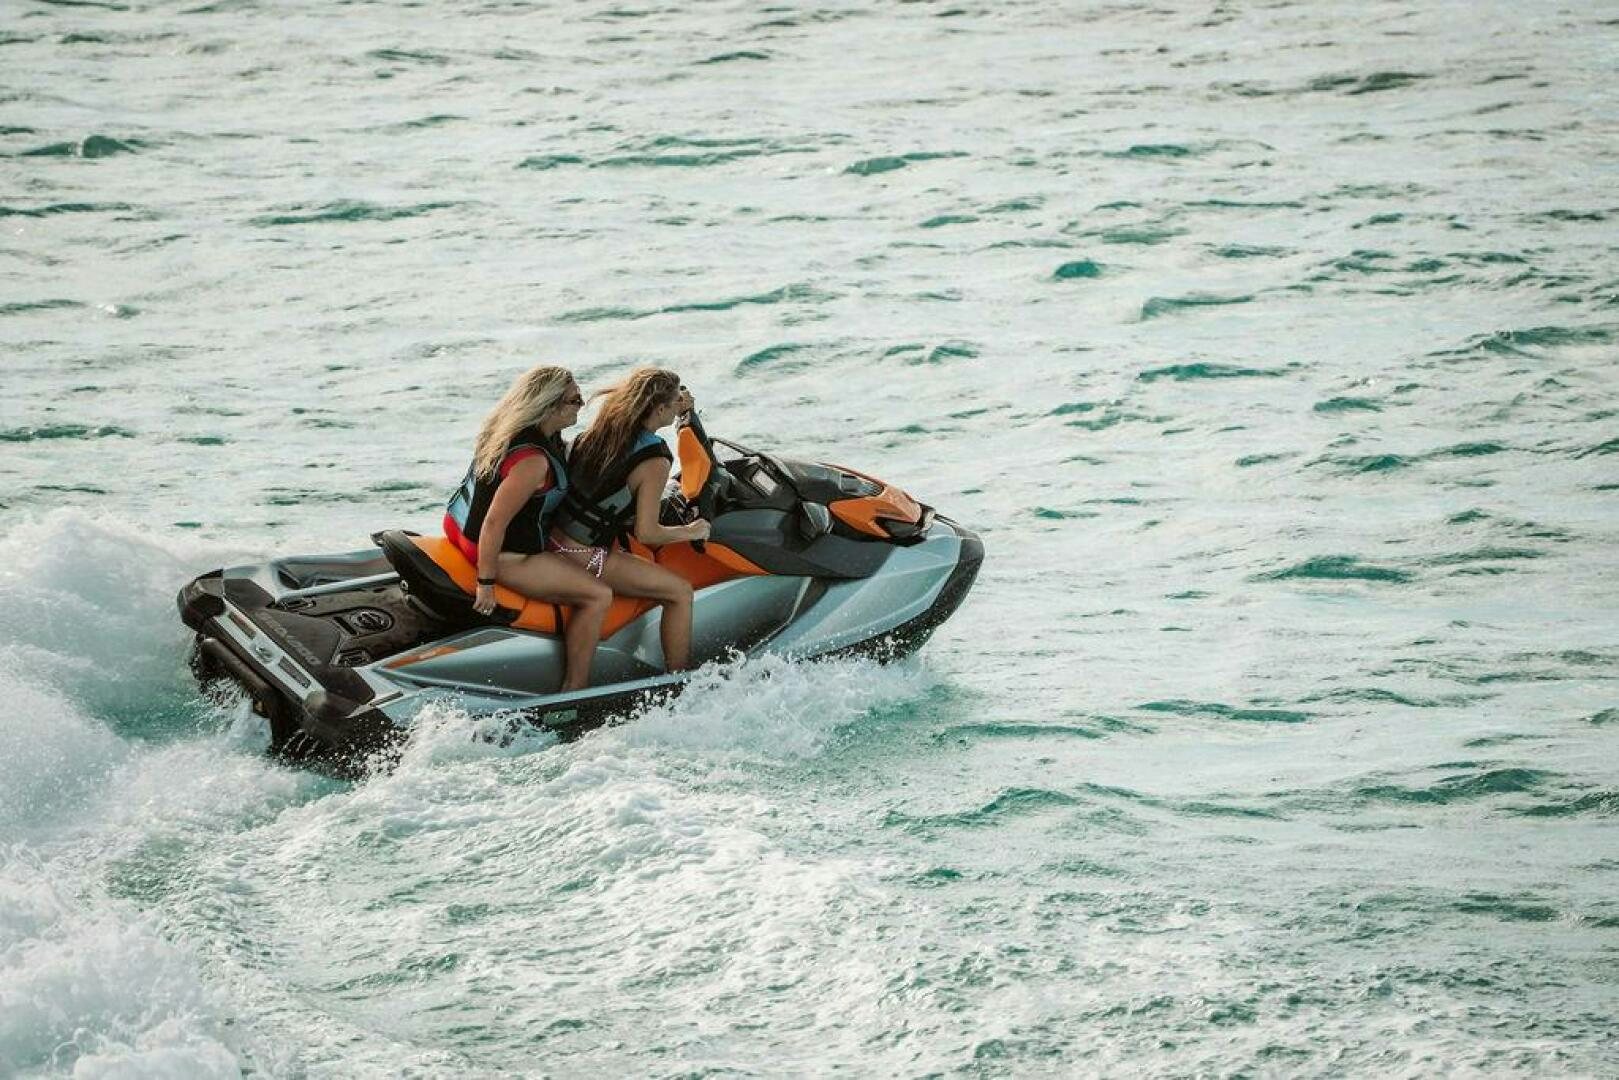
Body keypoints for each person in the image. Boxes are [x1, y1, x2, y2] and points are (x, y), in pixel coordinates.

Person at [444, 365, 611, 691]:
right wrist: (486, 583)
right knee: (598, 595)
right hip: (500, 554)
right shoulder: (533, 462)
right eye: (575, 400)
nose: (581, 405)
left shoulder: (504, 429)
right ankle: (575, 689)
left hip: (458, 529)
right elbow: (495, 521)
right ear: (550, 406)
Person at [553, 367, 710, 671]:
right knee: (679, 592)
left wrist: (683, 410)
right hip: (581, 554)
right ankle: (680, 680)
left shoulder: (605, 429)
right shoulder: (655, 459)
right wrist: (692, 530)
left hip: (554, 538)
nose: (679, 404)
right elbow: (648, 533)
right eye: (674, 402)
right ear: (660, 409)